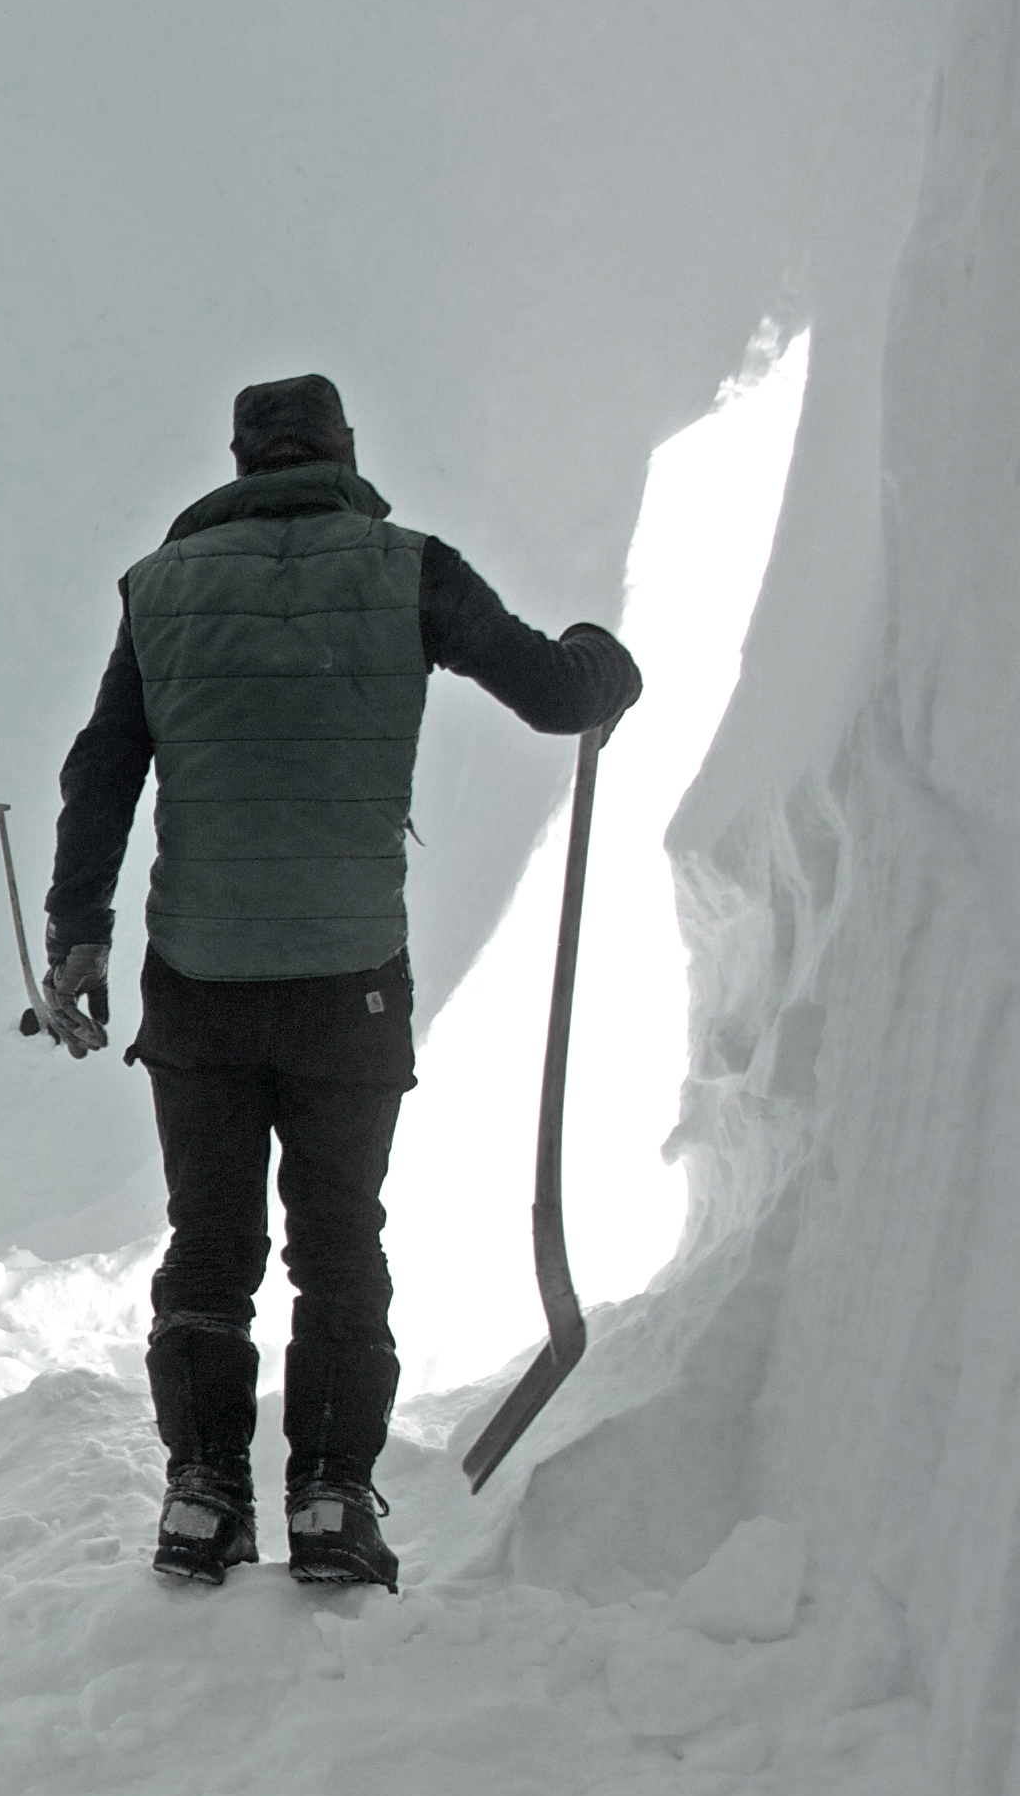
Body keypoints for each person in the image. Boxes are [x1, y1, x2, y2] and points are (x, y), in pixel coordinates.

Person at [40, 373, 642, 1592]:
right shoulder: (408, 567)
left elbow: (101, 771)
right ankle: (326, 1498)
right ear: (340, 452)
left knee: (207, 1244)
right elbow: (555, 695)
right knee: (335, 1242)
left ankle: (202, 1498)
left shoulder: (157, 592)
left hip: (198, 979)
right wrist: (601, 664)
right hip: (348, 981)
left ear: (238, 460)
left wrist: (77, 938)